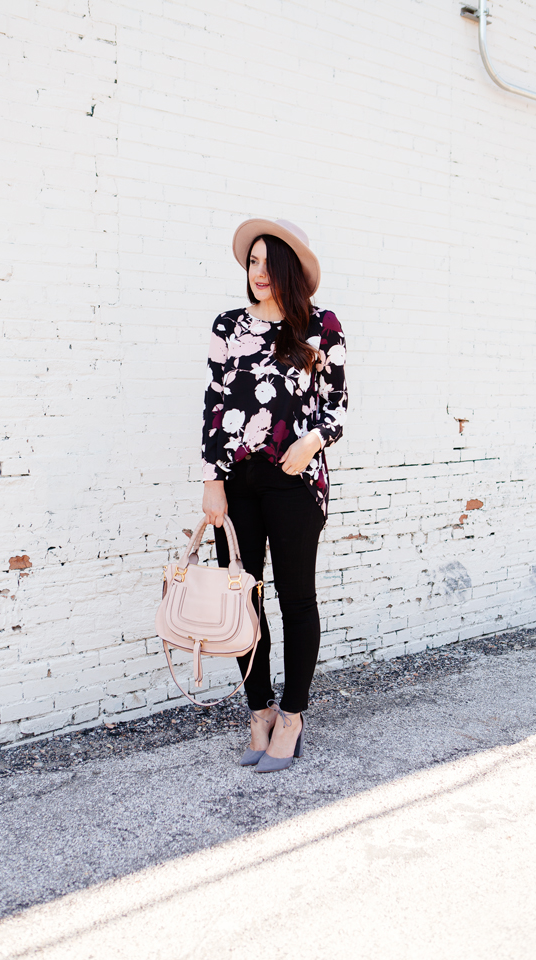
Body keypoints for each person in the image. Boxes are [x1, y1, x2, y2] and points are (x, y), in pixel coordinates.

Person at [201, 218, 347, 772]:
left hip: (294, 482)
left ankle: (292, 715)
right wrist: (212, 479)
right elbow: (215, 406)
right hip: (237, 483)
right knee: (242, 600)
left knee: (295, 598)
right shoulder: (228, 325)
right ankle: (258, 710)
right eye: (251, 261)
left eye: (266, 261)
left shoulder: (319, 326)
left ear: (288, 266)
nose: (256, 272)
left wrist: (312, 440)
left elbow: (336, 406)